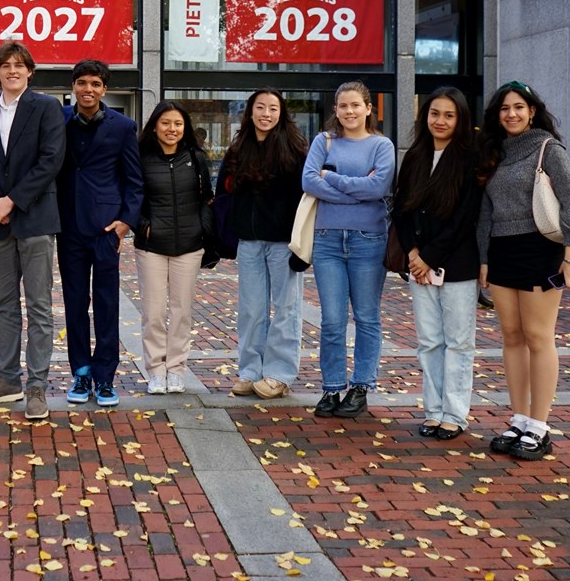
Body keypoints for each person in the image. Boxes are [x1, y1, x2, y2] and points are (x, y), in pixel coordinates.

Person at [477, 81, 570, 460]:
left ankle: (540, 427)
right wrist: (484, 258)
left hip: (542, 250)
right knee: (511, 335)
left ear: (533, 111)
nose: (511, 114)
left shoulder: (547, 148)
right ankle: (520, 419)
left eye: (519, 107)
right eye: (505, 108)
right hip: (503, 252)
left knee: (539, 336)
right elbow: (486, 211)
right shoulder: (495, 152)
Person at [0, 40, 65, 420]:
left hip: (35, 219)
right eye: (5, 65)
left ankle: (36, 386)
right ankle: (7, 379)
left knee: (39, 306)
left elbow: (51, 160)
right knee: (4, 306)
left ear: (29, 71)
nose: (12, 70)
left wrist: (13, 201)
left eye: (19, 65)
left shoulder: (47, 107)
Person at [303, 80, 395, 419]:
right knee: (332, 320)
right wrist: (356, 191)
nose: (349, 112)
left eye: (356, 105)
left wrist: (334, 179)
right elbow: (309, 180)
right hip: (327, 240)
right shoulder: (323, 141)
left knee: (367, 317)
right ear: (336, 111)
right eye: (343, 106)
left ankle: (360, 387)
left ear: (368, 108)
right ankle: (331, 388)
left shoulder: (382, 145)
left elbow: (379, 187)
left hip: (369, 240)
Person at [392, 88, 480, 439]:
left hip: (456, 265)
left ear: (460, 120)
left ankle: (454, 414)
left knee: (458, 342)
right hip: (419, 266)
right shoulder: (415, 155)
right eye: (434, 114)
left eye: (448, 115)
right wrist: (413, 253)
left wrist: (429, 257)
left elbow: (465, 218)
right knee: (429, 341)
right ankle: (433, 410)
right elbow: (401, 208)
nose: (440, 121)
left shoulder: (470, 159)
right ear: (425, 116)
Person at [56, 59, 143, 406]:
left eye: (94, 83)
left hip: (106, 229)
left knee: (107, 305)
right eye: (81, 83)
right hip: (68, 226)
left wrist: (126, 222)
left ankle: (105, 378)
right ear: (73, 87)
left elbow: (134, 180)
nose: (87, 89)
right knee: (74, 304)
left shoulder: (123, 126)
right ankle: (81, 374)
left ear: (104, 89)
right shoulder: (59, 118)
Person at [216, 89, 308, 400]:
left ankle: (279, 374)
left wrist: (302, 246)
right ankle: (250, 371)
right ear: (250, 111)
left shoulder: (295, 150)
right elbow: (224, 195)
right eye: (260, 107)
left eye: (273, 108)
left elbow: (305, 199)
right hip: (250, 242)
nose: (266, 114)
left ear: (282, 113)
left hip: (284, 243)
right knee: (251, 310)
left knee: (286, 308)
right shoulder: (238, 148)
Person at [133, 101, 213, 395]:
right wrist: (142, 225)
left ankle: (176, 370)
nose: (172, 129)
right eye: (166, 123)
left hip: (189, 246)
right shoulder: (140, 157)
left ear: (185, 128)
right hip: (151, 245)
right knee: (153, 313)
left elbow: (207, 198)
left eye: (178, 124)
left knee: (182, 312)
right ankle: (156, 370)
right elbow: (131, 194)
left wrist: (202, 229)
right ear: (154, 125)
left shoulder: (196, 157)